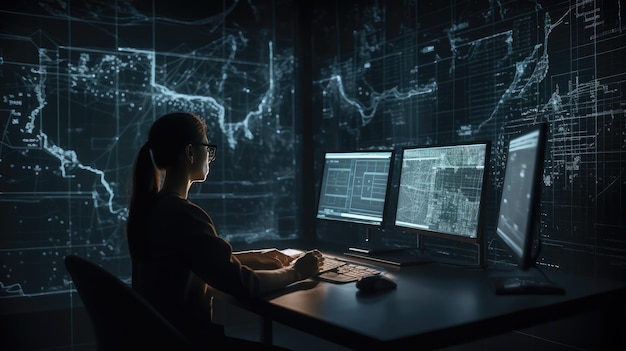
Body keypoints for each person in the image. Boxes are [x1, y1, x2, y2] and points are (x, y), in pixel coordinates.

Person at [125, 112, 322, 349]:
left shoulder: (153, 208)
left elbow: (187, 262)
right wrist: (297, 272)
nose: (209, 156)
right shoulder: (184, 215)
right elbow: (244, 284)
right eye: (207, 148)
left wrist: (253, 256)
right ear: (190, 152)